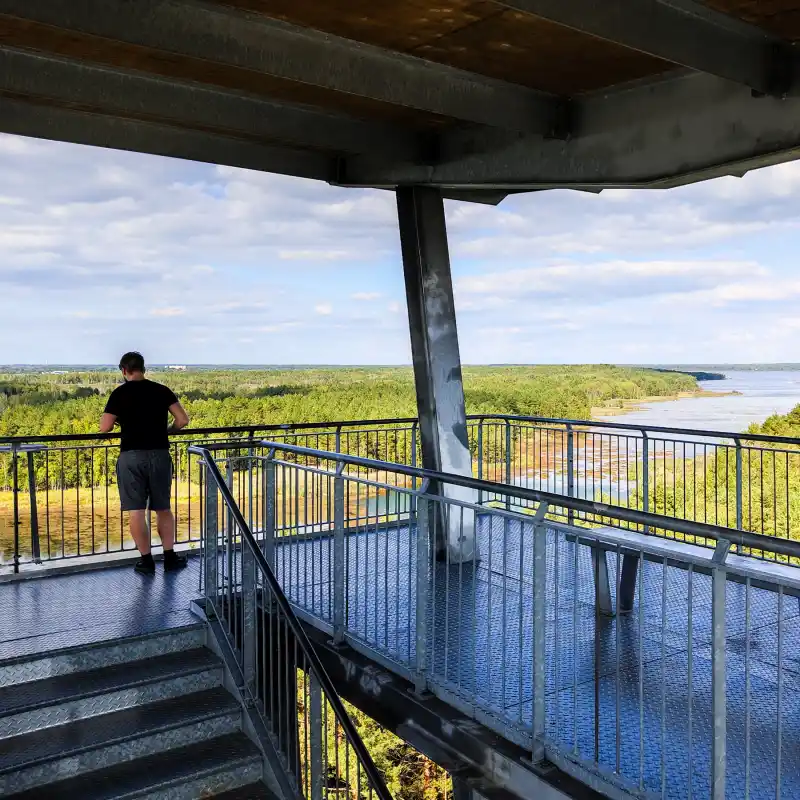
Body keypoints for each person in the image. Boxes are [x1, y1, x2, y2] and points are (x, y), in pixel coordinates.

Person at [100, 352, 190, 575]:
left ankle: (146, 561)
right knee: (163, 508)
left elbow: (105, 427)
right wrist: (168, 430)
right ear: (143, 368)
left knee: (136, 511)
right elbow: (183, 420)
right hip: (159, 453)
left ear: (123, 370)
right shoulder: (161, 390)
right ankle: (170, 557)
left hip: (131, 455)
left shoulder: (119, 394)